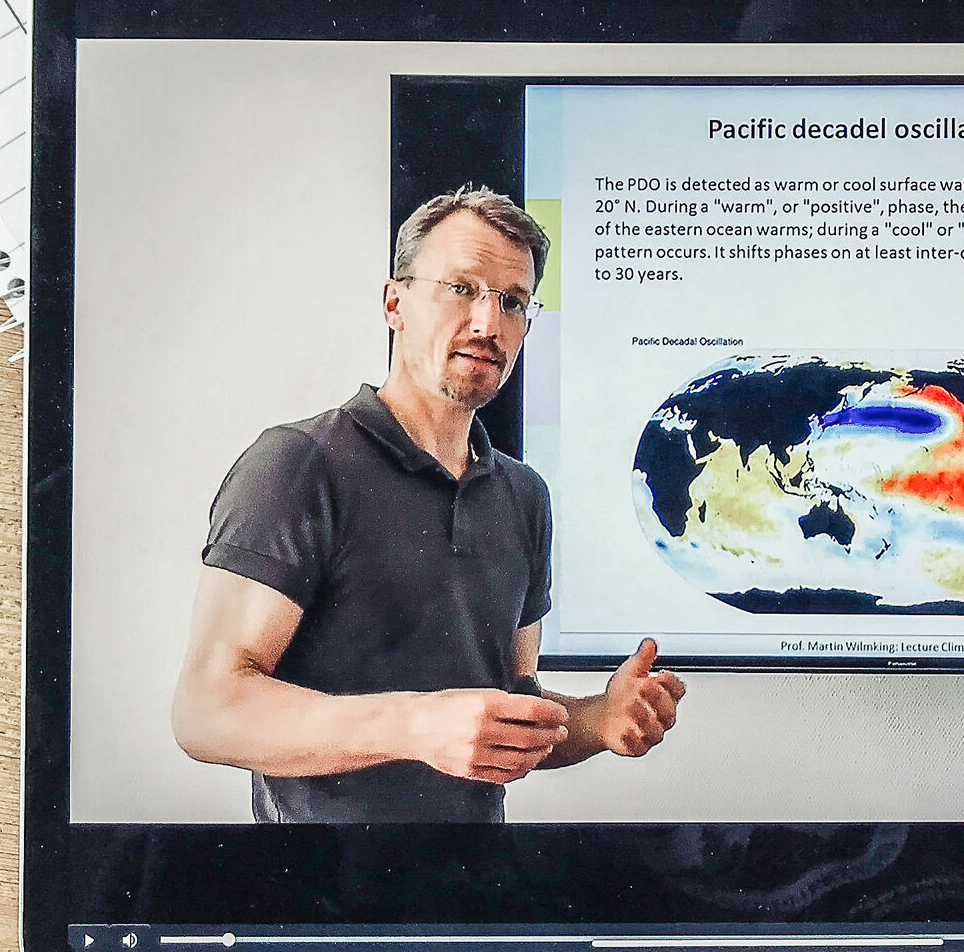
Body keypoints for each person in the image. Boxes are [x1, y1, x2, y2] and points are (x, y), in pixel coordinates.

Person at [171, 185, 687, 822]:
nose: (488, 324)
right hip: (324, 880)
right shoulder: (299, 465)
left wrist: (596, 720)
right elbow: (207, 711)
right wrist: (415, 725)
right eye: (461, 288)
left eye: (513, 302)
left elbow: (508, 705)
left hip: (476, 876)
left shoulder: (523, 497)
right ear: (396, 303)